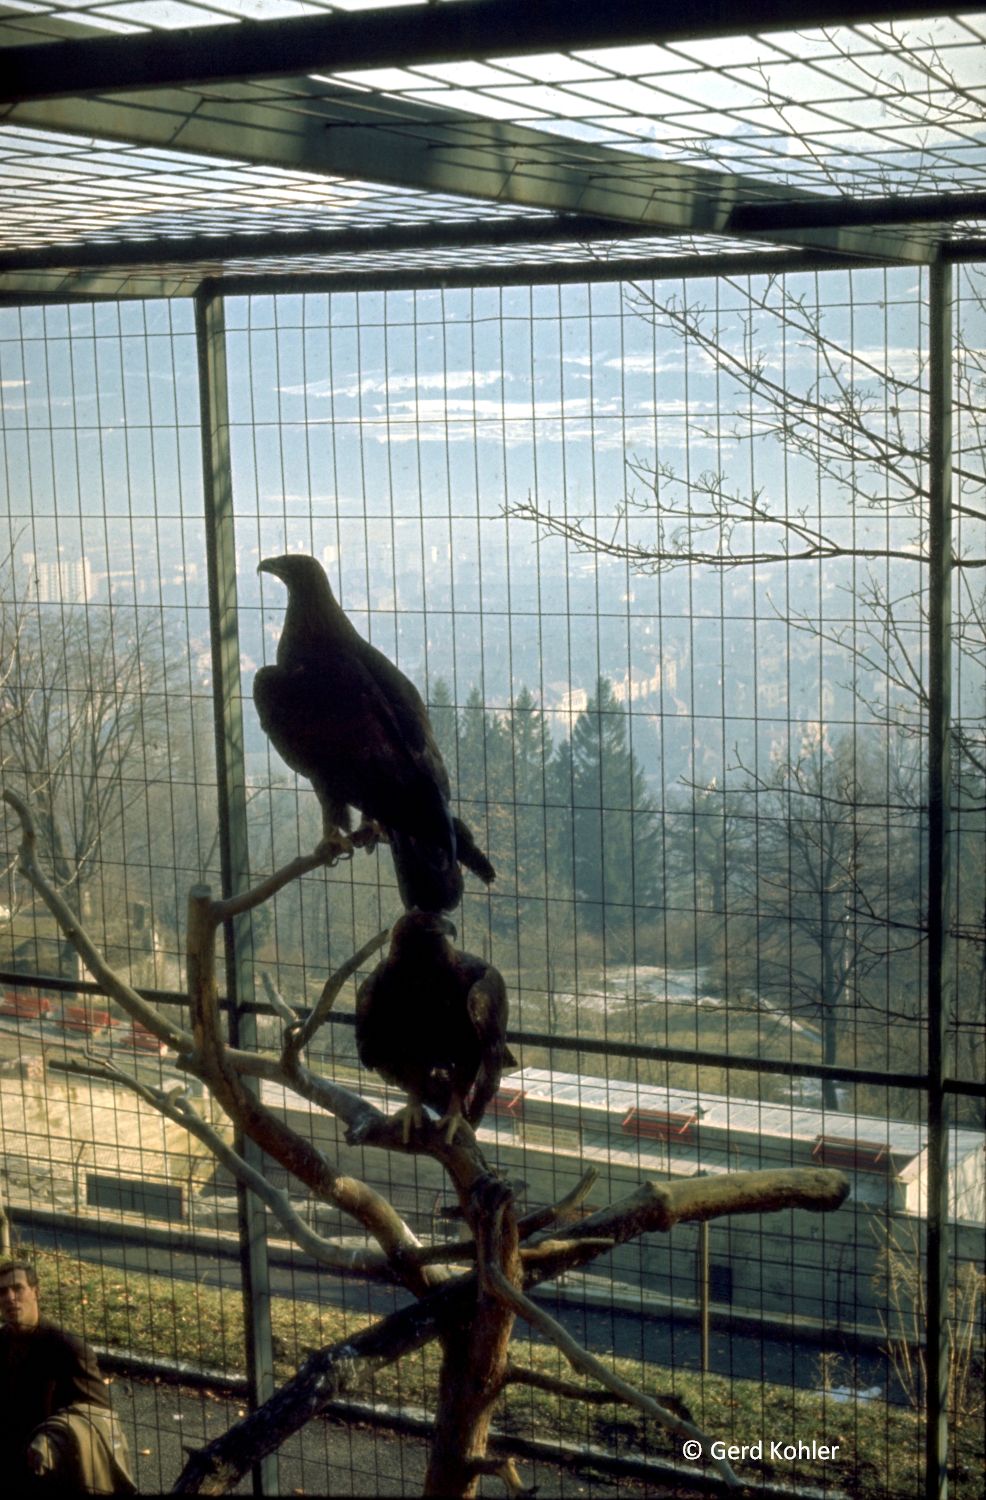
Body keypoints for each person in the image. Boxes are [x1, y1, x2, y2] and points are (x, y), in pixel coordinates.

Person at [0, 1258, 135, 1494]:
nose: (10, 1297)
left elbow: (101, 1416)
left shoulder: (68, 1348)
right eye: (2, 1292)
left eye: (18, 1288)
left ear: (35, 1292)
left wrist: (55, 1439)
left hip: (52, 1465)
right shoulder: (2, 1341)